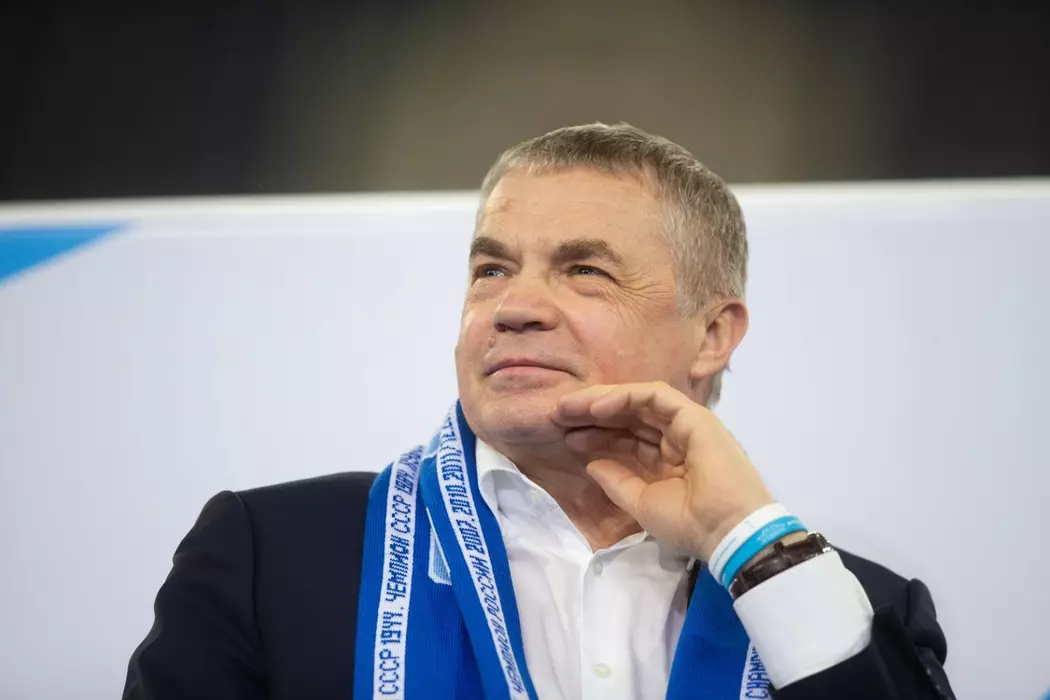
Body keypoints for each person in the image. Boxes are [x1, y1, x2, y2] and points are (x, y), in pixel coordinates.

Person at [123, 123, 955, 700]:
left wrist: (753, 544)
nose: (513, 307)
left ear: (711, 335)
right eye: (490, 270)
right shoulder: (272, 558)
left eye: (585, 270)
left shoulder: (860, 609)